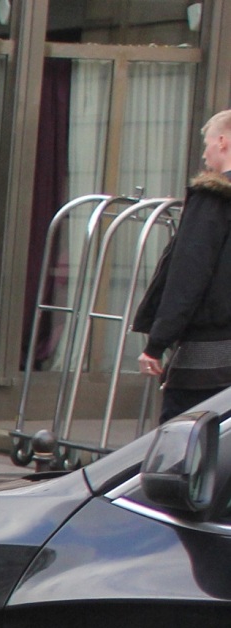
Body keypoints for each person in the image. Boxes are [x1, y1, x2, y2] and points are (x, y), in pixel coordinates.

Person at [133, 110, 231, 421]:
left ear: (223, 141)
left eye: (206, 144)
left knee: (184, 446)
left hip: (207, 356)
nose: (204, 154)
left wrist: (156, 343)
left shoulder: (213, 198)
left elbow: (189, 274)